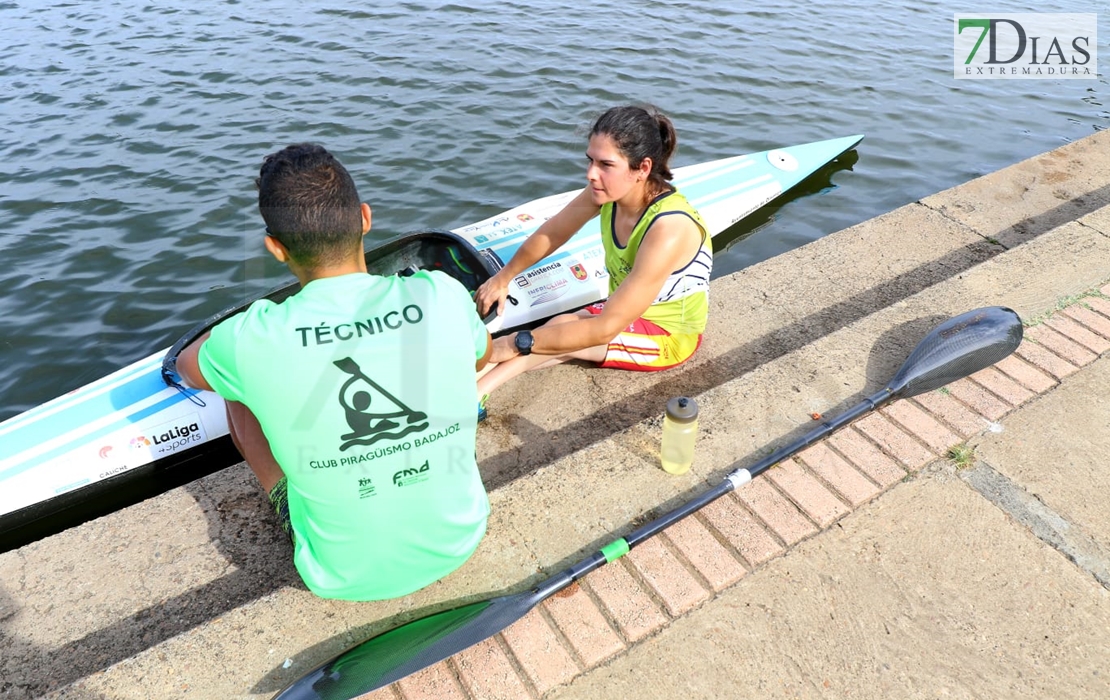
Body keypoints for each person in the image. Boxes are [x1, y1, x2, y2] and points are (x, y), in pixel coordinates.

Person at [175, 143, 493, 601]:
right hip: (460, 539)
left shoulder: (250, 337)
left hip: (339, 576)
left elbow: (189, 368)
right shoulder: (441, 293)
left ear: (275, 248)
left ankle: (287, 502)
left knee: (234, 383)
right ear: (365, 218)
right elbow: (478, 358)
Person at [474, 105, 711, 414]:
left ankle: (475, 392)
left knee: (546, 340)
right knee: (558, 327)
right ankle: (477, 389)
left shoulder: (668, 228)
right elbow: (552, 234)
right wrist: (502, 278)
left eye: (605, 164)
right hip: (621, 309)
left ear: (642, 168)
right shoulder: (606, 193)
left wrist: (513, 342)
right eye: (590, 160)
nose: (591, 174)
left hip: (667, 335)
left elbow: (605, 329)